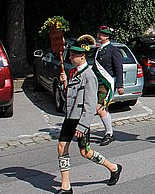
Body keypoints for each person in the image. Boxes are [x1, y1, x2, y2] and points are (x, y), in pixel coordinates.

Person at [56, 40, 122, 194]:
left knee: (85, 152)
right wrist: (63, 84)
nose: (70, 58)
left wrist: (83, 125)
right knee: (61, 147)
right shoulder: (73, 72)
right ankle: (66, 187)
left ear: (83, 57)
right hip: (69, 117)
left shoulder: (89, 76)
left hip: (80, 120)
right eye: (70, 55)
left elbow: (90, 104)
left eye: (73, 56)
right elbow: (69, 97)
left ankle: (114, 168)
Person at [93, 26, 124, 146]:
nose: (98, 36)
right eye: (98, 34)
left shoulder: (113, 50)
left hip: (106, 83)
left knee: (99, 108)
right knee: (103, 109)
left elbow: (118, 68)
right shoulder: (99, 49)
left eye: (100, 35)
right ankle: (109, 133)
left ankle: (110, 133)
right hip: (98, 82)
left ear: (106, 36)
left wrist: (120, 85)